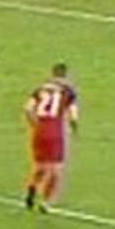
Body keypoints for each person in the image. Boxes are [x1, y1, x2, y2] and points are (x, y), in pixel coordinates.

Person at [24, 63, 78, 213]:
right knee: (55, 169)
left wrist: (35, 125)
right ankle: (45, 202)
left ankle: (32, 188)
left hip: (40, 130)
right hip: (55, 132)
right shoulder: (68, 92)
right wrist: (74, 129)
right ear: (65, 76)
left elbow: (28, 109)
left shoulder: (40, 89)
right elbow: (73, 116)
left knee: (40, 165)